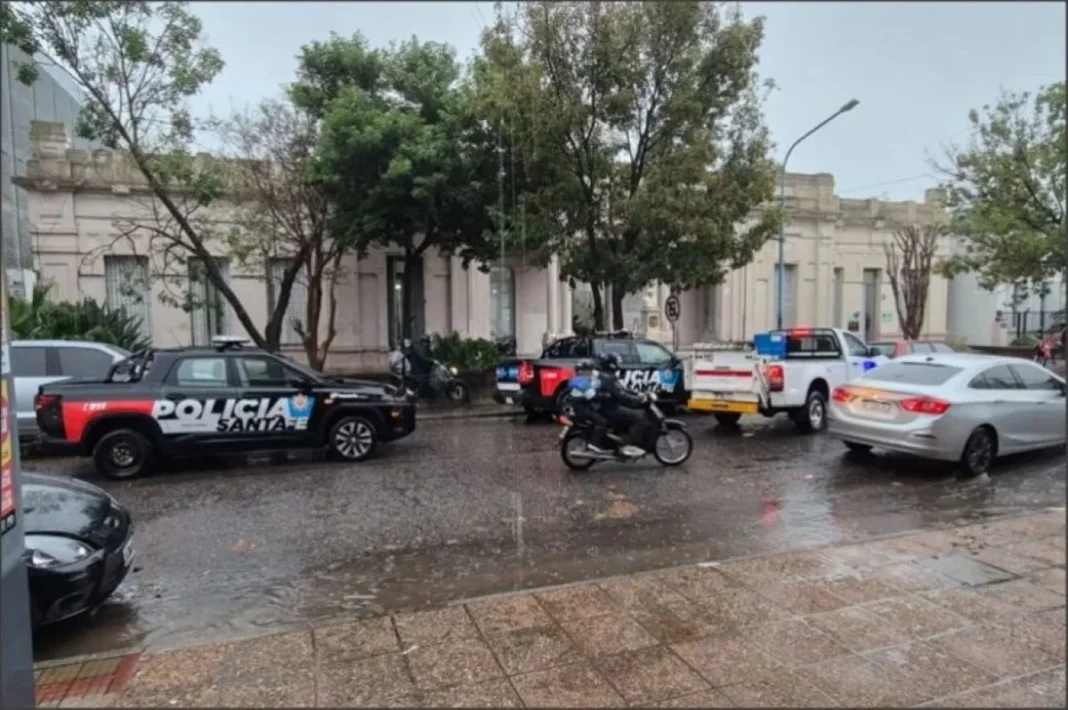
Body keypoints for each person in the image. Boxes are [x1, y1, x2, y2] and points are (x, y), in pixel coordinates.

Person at [584, 353, 652, 458]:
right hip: (611, 408)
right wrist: (638, 399)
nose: (618, 365)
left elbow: (622, 389)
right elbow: (621, 395)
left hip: (605, 406)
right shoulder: (608, 378)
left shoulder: (605, 375)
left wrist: (638, 393)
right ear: (611, 364)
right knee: (639, 416)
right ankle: (629, 444)